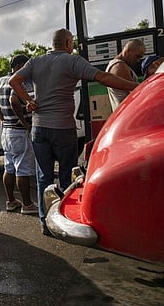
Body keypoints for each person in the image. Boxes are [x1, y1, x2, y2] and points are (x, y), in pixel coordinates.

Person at [9, 28, 139, 235]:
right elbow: (104, 78)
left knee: (44, 177)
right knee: (67, 176)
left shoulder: (35, 61)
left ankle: (45, 223)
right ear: (68, 43)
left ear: (53, 44)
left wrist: (29, 101)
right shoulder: (73, 61)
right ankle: (65, 223)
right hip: (62, 128)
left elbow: (13, 81)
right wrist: (136, 87)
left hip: (39, 128)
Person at [0, 54, 37, 214]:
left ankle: (11, 201)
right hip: (19, 131)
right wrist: (26, 123)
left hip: (7, 131)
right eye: (26, 65)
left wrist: (3, 119)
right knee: (22, 169)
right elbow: (14, 101)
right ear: (20, 65)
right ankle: (27, 204)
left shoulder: (3, 81)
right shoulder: (19, 81)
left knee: (9, 167)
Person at [105, 39, 145, 111]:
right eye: (137, 56)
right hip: (128, 113)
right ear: (127, 51)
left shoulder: (116, 64)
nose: (138, 60)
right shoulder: (119, 66)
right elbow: (135, 93)